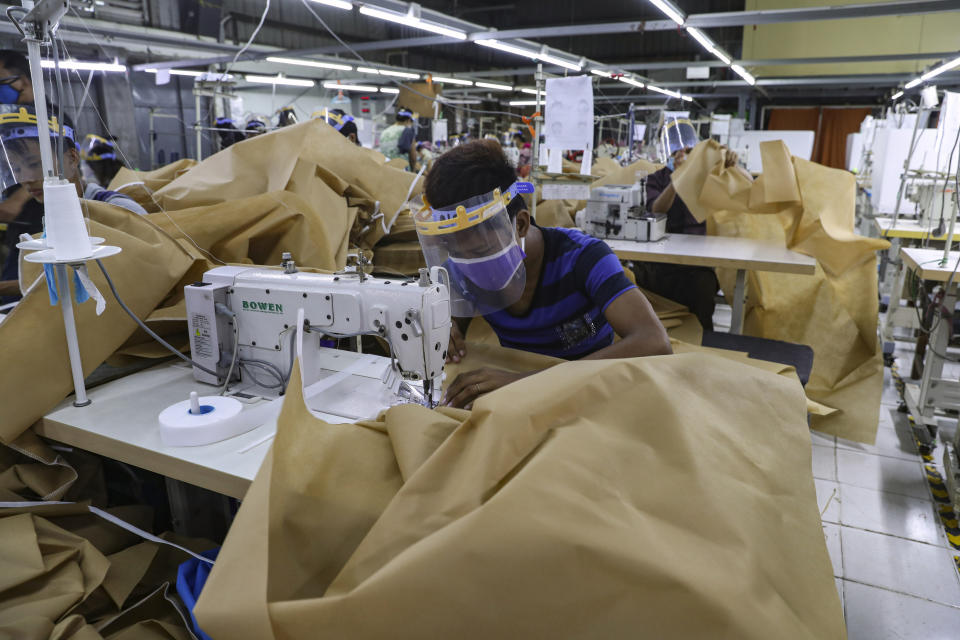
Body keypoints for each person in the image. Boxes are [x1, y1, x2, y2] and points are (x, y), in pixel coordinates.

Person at [414, 141, 672, 409]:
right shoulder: (462, 269)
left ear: (521, 224)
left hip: (590, 393)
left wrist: (525, 382)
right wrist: (444, 329)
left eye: (482, 249)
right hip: (519, 398)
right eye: (454, 250)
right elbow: (449, 331)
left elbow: (654, 341)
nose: (468, 263)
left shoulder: (584, 258)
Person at [0, 105, 147, 301]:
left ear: (72, 157)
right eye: (16, 168)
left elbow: (150, 267)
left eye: (35, 164)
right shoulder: (46, 217)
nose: (25, 178)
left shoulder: (118, 208)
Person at [633, 115, 739, 331]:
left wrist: (732, 166)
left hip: (696, 266)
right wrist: (678, 178)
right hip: (661, 265)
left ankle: (701, 344)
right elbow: (657, 209)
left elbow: (742, 191)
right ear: (667, 156)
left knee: (701, 294)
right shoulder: (656, 179)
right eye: (675, 153)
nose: (681, 156)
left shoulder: (708, 177)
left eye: (688, 152)